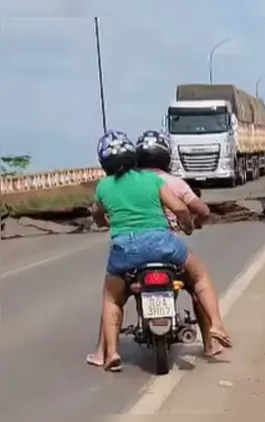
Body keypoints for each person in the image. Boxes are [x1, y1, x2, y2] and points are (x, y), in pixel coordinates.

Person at [87, 130, 232, 365]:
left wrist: (105, 221)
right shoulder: (153, 180)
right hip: (162, 245)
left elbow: (99, 216)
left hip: (125, 250)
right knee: (200, 276)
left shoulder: (103, 187)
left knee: (112, 298)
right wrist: (187, 226)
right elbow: (182, 209)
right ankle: (216, 324)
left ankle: (111, 352)